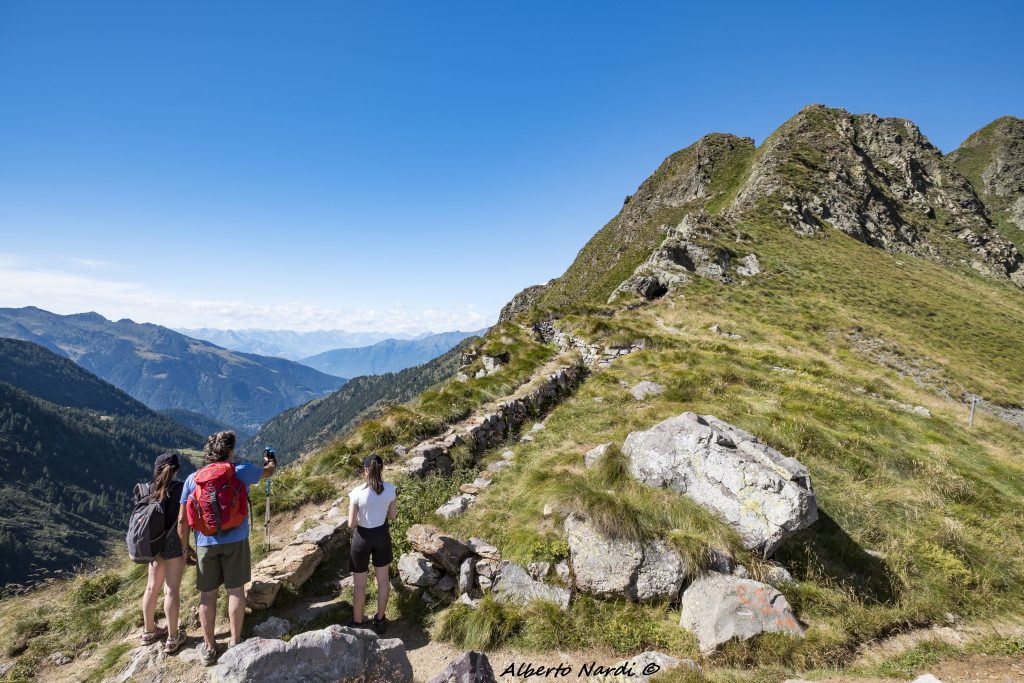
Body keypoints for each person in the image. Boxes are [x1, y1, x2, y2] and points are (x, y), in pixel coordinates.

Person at [178, 431, 275, 666]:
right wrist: (270, 460)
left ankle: (209, 647)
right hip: (236, 541)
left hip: (205, 543)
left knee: (207, 595)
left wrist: (185, 549)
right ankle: (235, 641)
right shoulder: (241, 471)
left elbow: (182, 519)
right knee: (236, 591)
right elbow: (269, 472)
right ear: (229, 451)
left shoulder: (193, 479)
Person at [140, 452, 188, 653]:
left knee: (152, 587)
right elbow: (183, 519)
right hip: (174, 543)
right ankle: (173, 637)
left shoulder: (148, 489)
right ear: (177, 469)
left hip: (153, 544)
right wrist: (186, 547)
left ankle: (149, 631)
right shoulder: (181, 488)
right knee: (171, 590)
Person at [347, 454, 397, 631]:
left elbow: (351, 524)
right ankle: (380, 619)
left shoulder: (356, 493)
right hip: (381, 535)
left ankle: (358, 622)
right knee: (383, 581)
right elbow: (392, 516)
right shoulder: (390, 489)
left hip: (361, 538)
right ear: (382, 469)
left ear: (365, 471)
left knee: (360, 585)